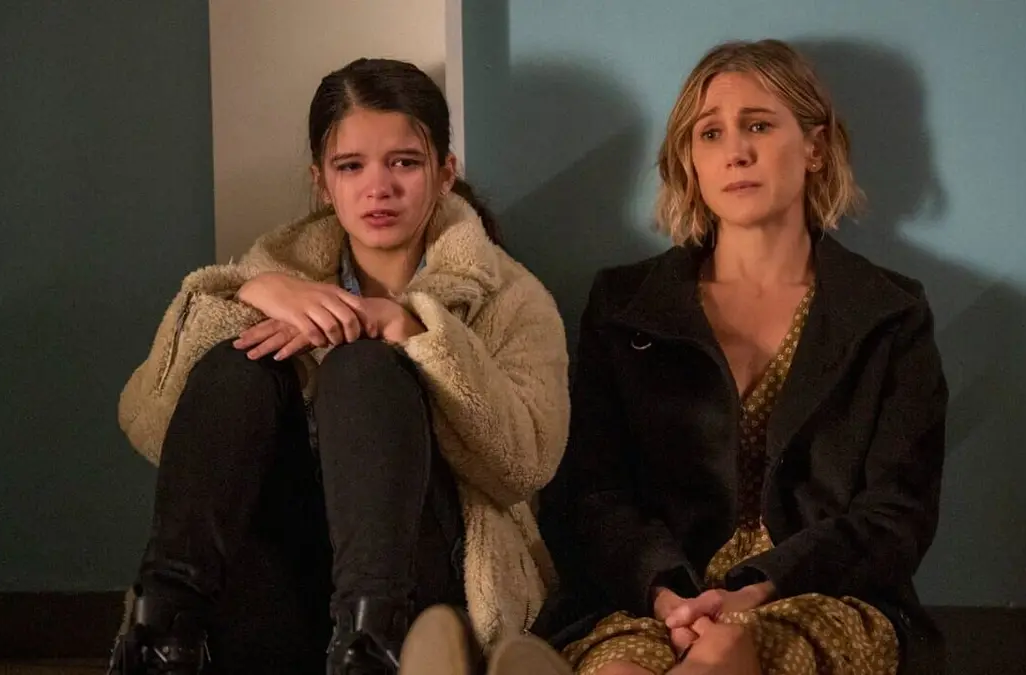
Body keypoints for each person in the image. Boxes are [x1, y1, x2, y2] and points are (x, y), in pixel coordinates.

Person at [399, 39, 948, 675]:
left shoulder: (886, 314)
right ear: (691, 161)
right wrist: (667, 594)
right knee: (621, 669)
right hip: (653, 596)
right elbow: (593, 495)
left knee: (727, 650)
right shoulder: (628, 306)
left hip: (818, 594)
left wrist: (753, 591)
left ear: (815, 147)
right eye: (710, 134)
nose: (736, 151)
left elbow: (896, 515)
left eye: (759, 126)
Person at [108, 58, 570, 675]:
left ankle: (371, 645)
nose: (378, 188)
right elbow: (150, 424)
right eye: (351, 166)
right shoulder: (273, 271)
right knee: (240, 362)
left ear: (445, 174)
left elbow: (525, 466)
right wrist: (248, 293)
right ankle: (161, 636)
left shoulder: (512, 297)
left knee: (362, 369)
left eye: (404, 163)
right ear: (322, 183)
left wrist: (415, 333)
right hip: (280, 579)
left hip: (428, 579)